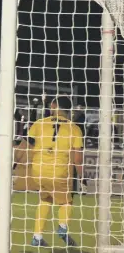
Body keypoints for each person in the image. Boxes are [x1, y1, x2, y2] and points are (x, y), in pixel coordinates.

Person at [13, 96, 84, 247]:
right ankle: (63, 227)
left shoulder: (39, 124)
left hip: (38, 171)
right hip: (59, 171)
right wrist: (82, 177)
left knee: (45, 199)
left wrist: (14, 163)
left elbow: (25, 145)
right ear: (69, 110)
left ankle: (37, 237)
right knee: (67, 201)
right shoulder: (75, 128)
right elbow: (77, 159)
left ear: (53, 106)